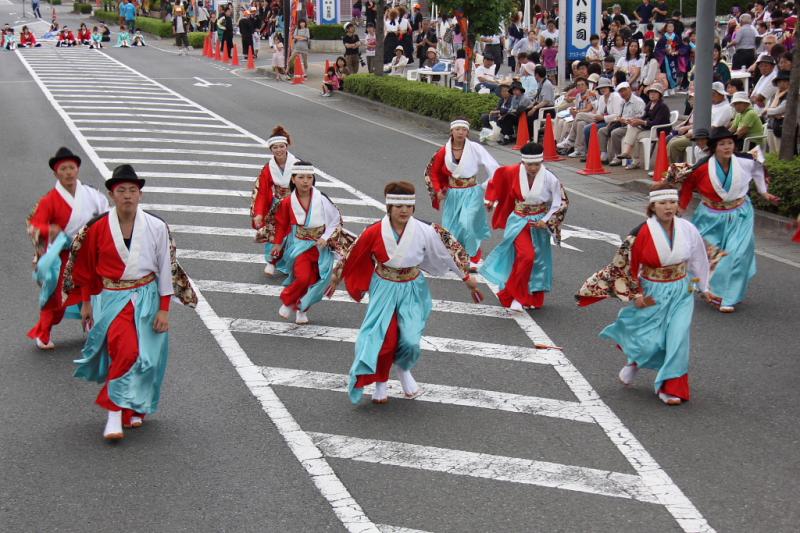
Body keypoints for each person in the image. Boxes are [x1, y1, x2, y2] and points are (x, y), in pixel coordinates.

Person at [63, 164, 196, 441]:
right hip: (111, 298)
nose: (127, 195)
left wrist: (164, 309)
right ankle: (113, 413)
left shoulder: (157, 226)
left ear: (140, 195)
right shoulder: (97, 227)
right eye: (121, 190)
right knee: (126, 351)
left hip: (148, 296)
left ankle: (135, 407)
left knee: (148, 359)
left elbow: (166, 267)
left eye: (132, 190)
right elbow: (85, 268)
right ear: (112, 195)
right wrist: (86, 303)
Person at [331, 181, 480, 404]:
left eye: (408, 206)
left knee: (410, 340)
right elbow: (353, 254)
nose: (404, 211)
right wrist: (336, 277)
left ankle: (403, 368)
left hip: (413, 287)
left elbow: (447, 252)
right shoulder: (374, 231)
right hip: (384, 287)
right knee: (383, 339)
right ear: (389, 207)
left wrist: (466, 278)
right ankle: (381, 382)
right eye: (399, 206)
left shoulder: (425, 230)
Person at [576, 182, 710, 406]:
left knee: (678, 338)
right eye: (663, 203)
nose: (669, 207)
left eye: (672, 202)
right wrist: (636, 294)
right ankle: (635, 361)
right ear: (652, 206)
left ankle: (670, 387)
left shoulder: (687, 229)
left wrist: (703, 287)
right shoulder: (640, 233)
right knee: (650, 340)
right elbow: (627, 267)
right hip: (652, 290)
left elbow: (698, 258)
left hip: (681, 290)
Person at [677, 127, 778, 312]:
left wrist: (764, 192)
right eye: (722, 144)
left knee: (735, 255)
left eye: (730, 143)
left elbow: (758, 169)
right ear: (714, 147)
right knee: (708, 256)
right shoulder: (701, 168)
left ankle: (724, 297)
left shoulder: (744, 161)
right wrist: (681, 208)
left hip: (740, 214)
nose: (727, 147)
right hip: (710, 216)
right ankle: (704, 285)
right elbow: (687, 187)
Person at [26, 148, 110, 350]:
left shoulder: (91, 194)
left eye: (71, 167)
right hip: (64, 256)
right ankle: (43, 333)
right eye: (63, 169)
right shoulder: (49, 200)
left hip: (88, 254)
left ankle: (92, 327)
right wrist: (50, 230)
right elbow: (34, 226)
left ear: (77, 169)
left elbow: (106, 215)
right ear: (56, 173)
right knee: (57, 298)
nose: (68, 172)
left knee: (94, 291)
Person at [481, 143, 568, 311]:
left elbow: (560, 202)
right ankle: (517, 296)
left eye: (537, 164)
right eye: (529, 164)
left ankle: (527, 296)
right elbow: (496, 180)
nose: (533, 168)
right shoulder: (513, 171)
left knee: (538, 261)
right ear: (523, 162)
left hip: (539, 223)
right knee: (526, 256)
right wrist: (491, 199)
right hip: (519, 221)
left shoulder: (550, 177)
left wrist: (547, 220)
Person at [270, 162, 347, 325]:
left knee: (317, 281)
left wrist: (325, 237)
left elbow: (336, 220)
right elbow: (282, 223)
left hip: (321, 248)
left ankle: (302, 309)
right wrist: (277, 244)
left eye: (309, 177)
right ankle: (288, 301)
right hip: (301, 246)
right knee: (303, 277)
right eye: (301, 177)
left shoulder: (322, 199)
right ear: (293, 179)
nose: (305, 181)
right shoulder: (287, 202)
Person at [424, 118, 500, 269]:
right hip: (452, 194)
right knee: (451, 227)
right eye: (457, 129)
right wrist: (437, 190)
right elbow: (433, 172)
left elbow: (494, 168)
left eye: (464, 129)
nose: (460, 132)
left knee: (468, 224)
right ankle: (454, 256)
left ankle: (473, 256)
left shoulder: (475, 148)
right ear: (451, 131)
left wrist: (485, 186)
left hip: (472, 192)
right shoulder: (443, 151)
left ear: (468, 132)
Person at [251, 126, 297, 276]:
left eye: (281, 146)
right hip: (277, 204)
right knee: (274, 233)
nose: (279, 150)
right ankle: (271, 261)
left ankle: (289, 264)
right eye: (275, 147)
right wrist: (259, 213)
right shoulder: (268, 168)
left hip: (295, 204)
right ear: (271, 149)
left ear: (287, 146)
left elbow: (307, 185)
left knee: (292, 236)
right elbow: (262, 191)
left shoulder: (297, 164)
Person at [615, 83, 671, 170]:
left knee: (636, 135)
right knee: (632, 126)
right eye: (650, 92)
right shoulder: (650, 104)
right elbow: (644, 117)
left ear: (660, 94)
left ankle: (634, 160)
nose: (652, 94)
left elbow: (656, 122)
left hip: (659, 130)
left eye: (655, 92)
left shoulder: (662, 106)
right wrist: (634, 121)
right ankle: (628, 153)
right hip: (649, 128)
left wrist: (641, 122)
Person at [599, 82, 646, 164]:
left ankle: (618, 156)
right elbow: (619, 115)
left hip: (633, 126)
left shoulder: (638, 101)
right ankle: (604, 154)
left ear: (629, 89)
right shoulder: (622, 102)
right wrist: (617, 119)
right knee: (602, 131)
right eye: (620, 92)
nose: (623, 93)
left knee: (615, 133)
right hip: (622, 124)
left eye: (624, 90)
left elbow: (640, 117)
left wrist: (625, 120)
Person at [655, 21, 690, 90]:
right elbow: (658, 49)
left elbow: (680, 46)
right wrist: (665, 51)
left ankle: (673, 87)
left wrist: (677, 51)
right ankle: (667, 87)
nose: (671, 28)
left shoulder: (676, 37)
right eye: (669, 26)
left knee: (674, 72)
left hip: (674, 57)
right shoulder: (663, 38)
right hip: (666, 58)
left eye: (672, 26)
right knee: (667, 73)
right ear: (666, 28)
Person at [765, 70, 790, 152]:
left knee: (780, 152)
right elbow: (766, 110)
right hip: (771, 126)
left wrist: (770, 112)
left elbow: (780, 109)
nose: (781, 84)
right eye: (779, 82)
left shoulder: (790, 95)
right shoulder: (775, 95)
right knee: (772, 152)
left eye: (784, 81)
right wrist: (771, 112)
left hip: (781, 128)